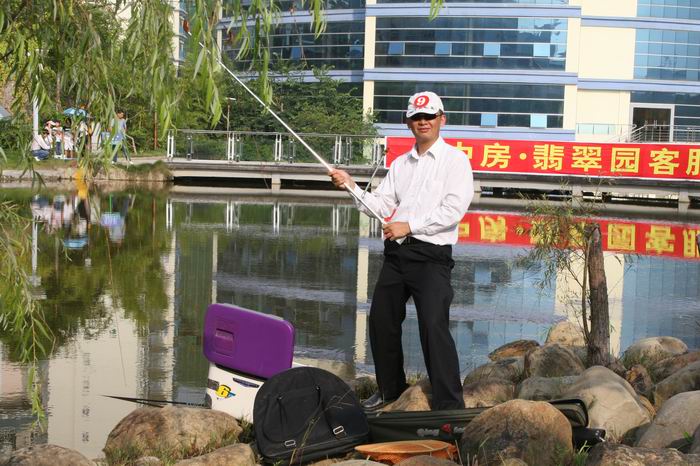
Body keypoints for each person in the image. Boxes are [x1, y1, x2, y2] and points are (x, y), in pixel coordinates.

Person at [330, 91, 474, 411]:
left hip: (432, 256)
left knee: (433, 325)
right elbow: (381, 206)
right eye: (416, 117)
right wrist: (352, 186)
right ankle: (391, 391)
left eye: (429, 116)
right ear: (408, 123)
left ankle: (450, 404)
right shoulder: (400, 164)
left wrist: (408, 226)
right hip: (396, 255)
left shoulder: (455, 161)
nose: (423, 122)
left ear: (441, 120)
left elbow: (453, 211)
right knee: (381, 320)